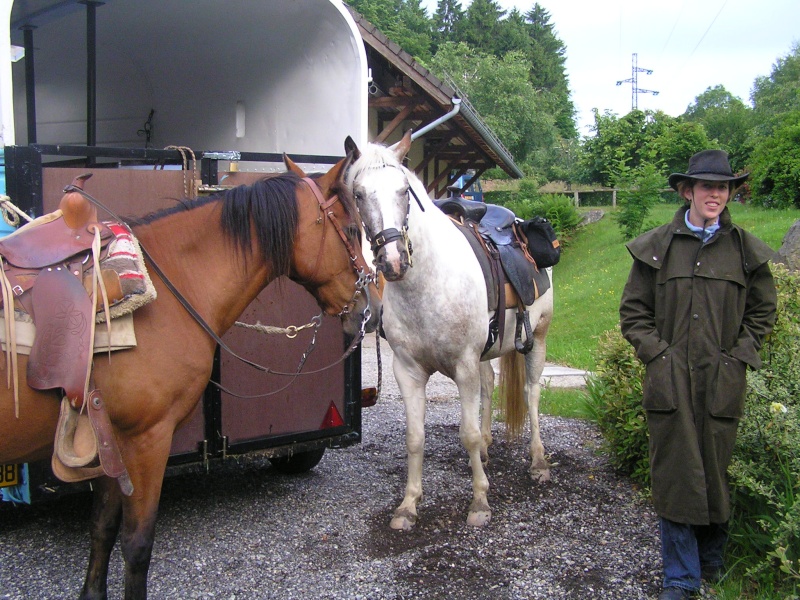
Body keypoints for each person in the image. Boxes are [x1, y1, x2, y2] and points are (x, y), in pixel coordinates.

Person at [619, 150, 777, 599]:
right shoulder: (656, 247)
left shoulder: (745, 249)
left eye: (723, 187)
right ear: (687, 190)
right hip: (669, 381)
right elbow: (633, 313)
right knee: (675, 471)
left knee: (715, 465)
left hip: (721, 379)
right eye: (707, 186)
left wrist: (739, 357)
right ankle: (681, 577)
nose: (716, 194)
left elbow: (763, 310)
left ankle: (712, 560)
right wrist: (659, 357)